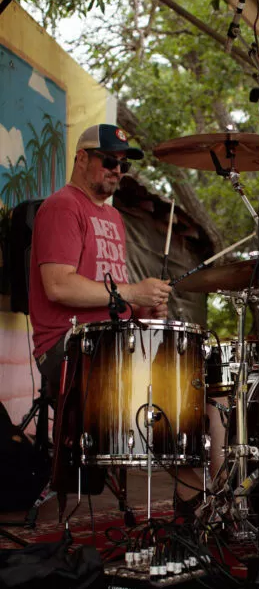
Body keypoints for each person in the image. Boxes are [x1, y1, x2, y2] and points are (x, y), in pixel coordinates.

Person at [29, 123, 172, 398]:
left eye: (123, 165)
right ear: (82, 158)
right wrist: (132, 292)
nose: (117, 170)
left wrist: (143, 307)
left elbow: (112, 292)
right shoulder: (63, 206)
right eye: (109, 160)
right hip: (69, 342)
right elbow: (59, 286)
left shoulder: (113, 217)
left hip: (110, 337)